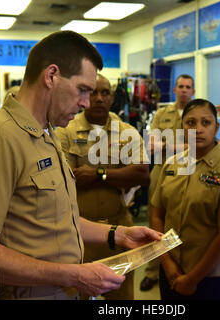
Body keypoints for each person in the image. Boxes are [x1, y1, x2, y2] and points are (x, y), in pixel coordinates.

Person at [0, 31, 162, 300]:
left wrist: (118, 234)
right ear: (51, 76)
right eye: (83, 90)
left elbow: (58, 220)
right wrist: (75, 274)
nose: (88, 102)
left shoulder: (47, 133)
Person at [56, 74, 150, 300]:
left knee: (122, 298)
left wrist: (98, 173)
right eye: (92, 92)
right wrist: (118, 174)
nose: (98, 98)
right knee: (74, 295)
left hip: (119, 230)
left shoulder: (126, 131)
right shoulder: (65, 130)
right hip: (78, 234)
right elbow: (63, 177)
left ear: (112, 97)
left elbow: (141, 174)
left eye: (104, 93)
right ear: (83, 96)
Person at [150, 98, 220, 300]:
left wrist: (193, 278)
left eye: (205, 123)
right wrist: (168, 265)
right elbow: (157, 216)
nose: (198, 129)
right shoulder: (171, 164)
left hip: (210, 277)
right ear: (182, 127)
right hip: (169, 270)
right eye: (191, 123)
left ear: (217, 127)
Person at [140, 74, 195, 291]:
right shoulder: (162, 114)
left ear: (193, 91)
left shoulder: (197, 113)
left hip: (188, 172)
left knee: (186, 222)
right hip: (161, 172)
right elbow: (150, 145)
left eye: (188, 87)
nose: (184, 90)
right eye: (180, 86)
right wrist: (178, 145)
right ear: (174, 90)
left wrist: (164, 144)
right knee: (156, 223)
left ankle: (184, 268)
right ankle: (153, 271)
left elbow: (197, 145)